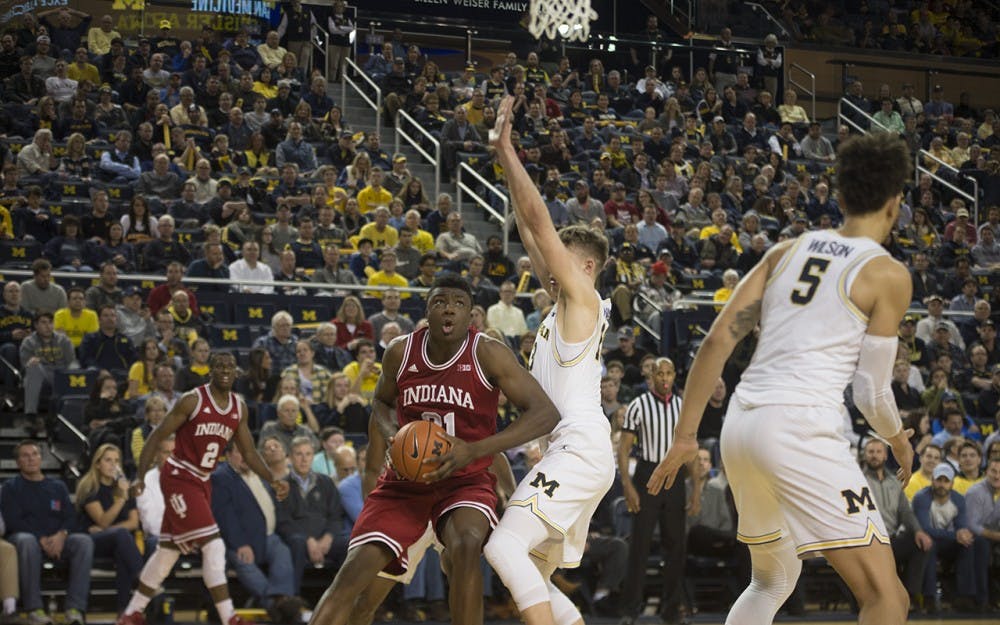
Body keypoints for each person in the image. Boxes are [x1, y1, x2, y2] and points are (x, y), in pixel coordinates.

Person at [648, 131, 917, 625]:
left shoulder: (786, 251)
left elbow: (716, 342)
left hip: (741, 427)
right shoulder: (888, 273)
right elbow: (870, 391)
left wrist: (686, 436)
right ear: (896, 202)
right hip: (799, 427)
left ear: (838, 196)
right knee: (888, 597)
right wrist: (898, 440)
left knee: (771, 580)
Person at [440, 95, 616, 625]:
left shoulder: (585, 300)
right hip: (569, 451)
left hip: (579, 449)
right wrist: (502, 164)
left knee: (502, 550)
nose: (547, 266)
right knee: (531, 574)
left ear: (585, 266)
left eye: (562, 258)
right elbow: (530, 230)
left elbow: (541, 229)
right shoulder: (560, 309)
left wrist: (510, 152)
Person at [304, 274, 560, 625]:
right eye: (440, 302)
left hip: (463, 480)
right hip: (404, 483)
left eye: (458, 302)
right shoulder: (400, 351)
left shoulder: (487, 352)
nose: (448, 310)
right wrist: (394, 434)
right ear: (427, 309)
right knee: (354, 578)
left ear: (471, 313)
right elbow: (380, 402)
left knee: (467, 546)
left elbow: (545, 413)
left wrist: (474, 450)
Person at [115, 352, 290, 625]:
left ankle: (131, 613)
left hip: (201, 481)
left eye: (229, 366)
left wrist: (273, 479)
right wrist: (139, 476)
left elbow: (250, 453)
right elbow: (157, 435)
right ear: (210, 369)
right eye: (219, 365)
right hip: (179, 476)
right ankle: (229, 617)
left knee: (167, 553)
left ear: (236, 373)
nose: (224, 370)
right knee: (214, 544)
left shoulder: (238, 407)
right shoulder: (193, 400)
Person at [617, 357, 691, 624]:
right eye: (660, 373)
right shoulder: (638, 405)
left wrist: (694, 492)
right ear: (652, 376)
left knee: (676, 546)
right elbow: (624, 449)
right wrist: (627, 485)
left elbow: (691, 452)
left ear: (673, 376)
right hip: (647, 474)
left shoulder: (684, 407)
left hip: (675, 476)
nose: (664, 378)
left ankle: (672, 610)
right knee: (640, 545)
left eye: (669, 373)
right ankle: (630, 610)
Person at [1, 441, 94, 625]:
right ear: (18, 462)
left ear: (41, 458)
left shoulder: (57, 486)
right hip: (27, 539)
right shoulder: (10, 488)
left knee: (83, 541)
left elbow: (70, 517)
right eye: (25, 456)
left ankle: (74, 609)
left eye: (34, 454)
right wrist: (40, 538)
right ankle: (34, 608)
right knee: (26, 541)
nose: (31, 459)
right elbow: (13, 521)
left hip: (57, 540)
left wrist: (62, 535)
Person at [210, 443, 300, 619]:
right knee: (245, 564)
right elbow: (225, 516)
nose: (245, 456)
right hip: (240, 541)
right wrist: (240, 544)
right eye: (239, 452)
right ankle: (276, 604)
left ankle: (281, 598)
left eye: (248, 452)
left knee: (283, 552)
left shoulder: (261, 474)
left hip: (268, 536)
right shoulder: (222, 477)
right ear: (228, 455)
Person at [859, 437, 932, 606]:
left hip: (891, 538)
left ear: (885, 455)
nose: (874, 455)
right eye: (871, 452)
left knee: (921, 545)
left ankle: (910, 596)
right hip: (869, 540)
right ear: (865, 455)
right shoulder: (858, 480)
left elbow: (905, 511)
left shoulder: (894, 481)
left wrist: (919, 531)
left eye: (878, 452)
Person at [74, 443, 144, 613]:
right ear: (97, 464)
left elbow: (134, 523)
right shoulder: (90, 488)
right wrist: (121, 498)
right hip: (92, 543)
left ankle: (124, 612)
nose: (113, 465)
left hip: (117, 541)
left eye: (116, 461)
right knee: (121, 535)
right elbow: (103, 521)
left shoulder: (123, 486)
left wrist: (109, 530)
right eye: (108, 460)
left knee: (122, 547)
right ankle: (145, 580)